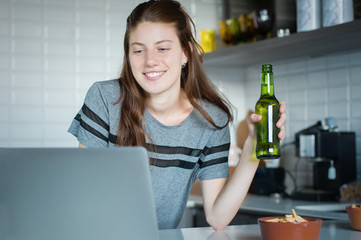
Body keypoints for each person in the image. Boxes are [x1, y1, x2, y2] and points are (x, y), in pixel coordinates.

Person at [68, 0, 287, 230]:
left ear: (185, 54)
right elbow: (86, 192)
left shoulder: (212, 121)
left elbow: (217, 218)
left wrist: (253, 147)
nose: (150, 60)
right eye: (139, 50)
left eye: (162, 48)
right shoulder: (105, 98)